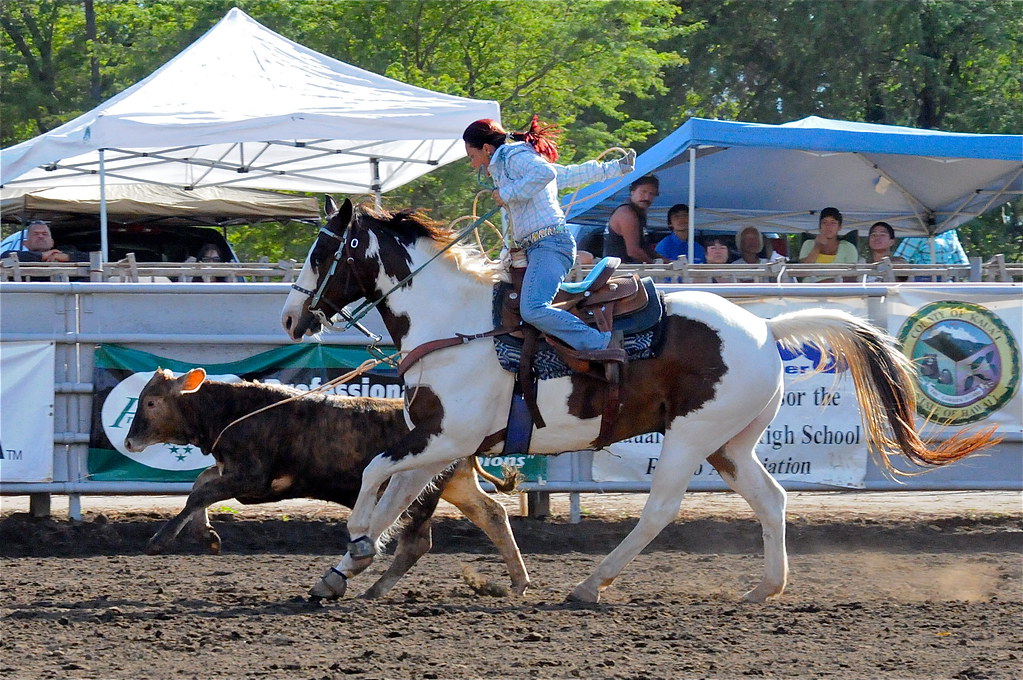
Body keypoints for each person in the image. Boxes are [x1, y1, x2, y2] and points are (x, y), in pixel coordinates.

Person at [463, 116, 634, 355]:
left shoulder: (511, 157)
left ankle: (601, 344)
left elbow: (545, 173)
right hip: (540, 247)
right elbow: (567, 175)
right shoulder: (513, 161)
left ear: (487, 148)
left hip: (549, 245)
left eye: (472, 156)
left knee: (532, 309)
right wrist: (615, 168)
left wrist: (508, 193)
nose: (473, 165)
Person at [604, 175, 659, 263]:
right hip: (621, 272)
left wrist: (664, 260)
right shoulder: (626, 213)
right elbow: (633, 251)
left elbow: (643, 248)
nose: (647, 198)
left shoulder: (638, 212)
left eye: (651, 194)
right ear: (632, 192)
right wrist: (654, 264)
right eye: (643, 192)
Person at [799, 207, 858, 283]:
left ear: (839, 227)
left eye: (833, 223)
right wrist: (817, 247)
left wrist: (824, 283)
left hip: (839, 292)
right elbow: (802, 272)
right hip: (810, 291)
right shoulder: (808, 244)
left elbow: (852, 277)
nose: (828, 227)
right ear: (820, 226)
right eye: (824, 222)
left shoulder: (848, 247)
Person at [0, 220, 88, 263]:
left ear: (52, 242)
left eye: (44, 234)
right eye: (35, 234)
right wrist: (42, 256)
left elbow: (92, 258)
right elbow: (4, 256)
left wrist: (68, 257)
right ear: (25, 243)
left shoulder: (62, 256)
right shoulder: (19, 257)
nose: (40, 236)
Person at [894, 229, 969, 265]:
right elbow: (899, 260)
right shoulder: (917, 233)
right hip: (922, 283)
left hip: (948, 282)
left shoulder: (950, 232)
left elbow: (961, 262)